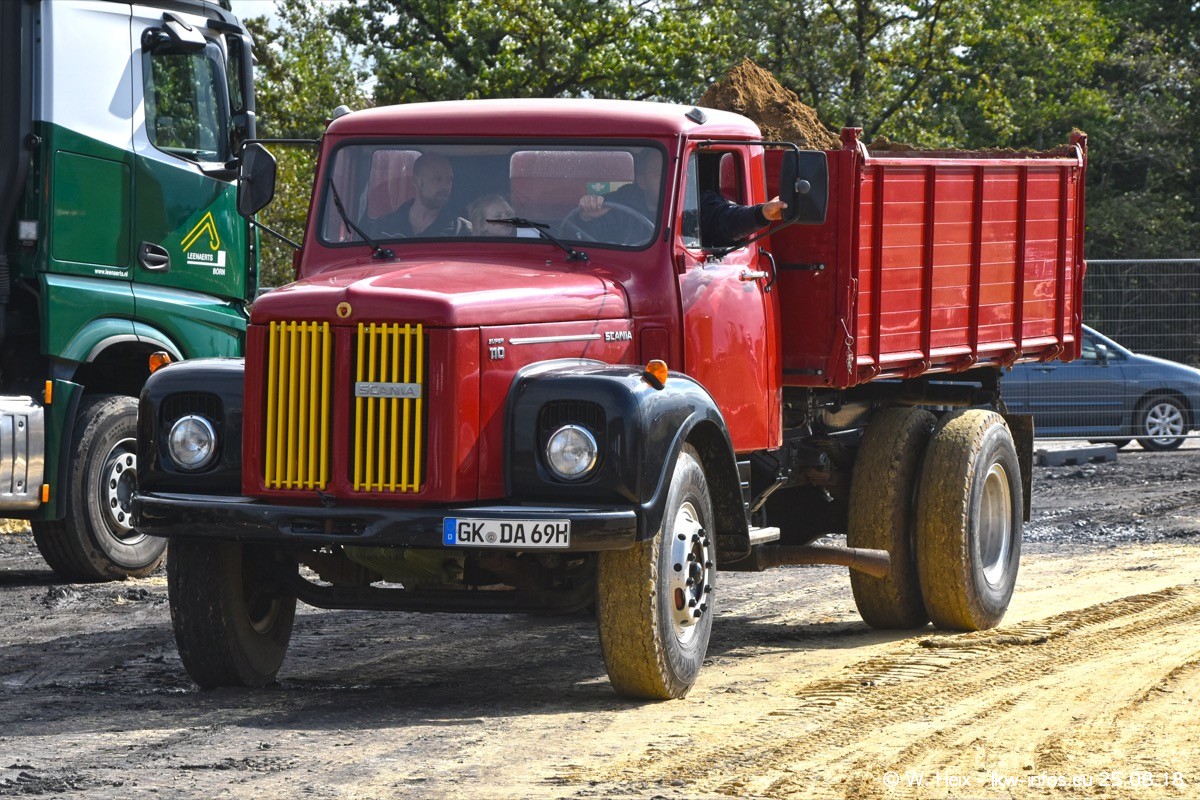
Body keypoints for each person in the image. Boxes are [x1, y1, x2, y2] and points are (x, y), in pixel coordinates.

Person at [371, 153, 469, 237]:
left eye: (449, 180)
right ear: (416, 182)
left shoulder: (461, 230)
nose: (445, 187)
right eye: (438, 179)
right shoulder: (383, 227)